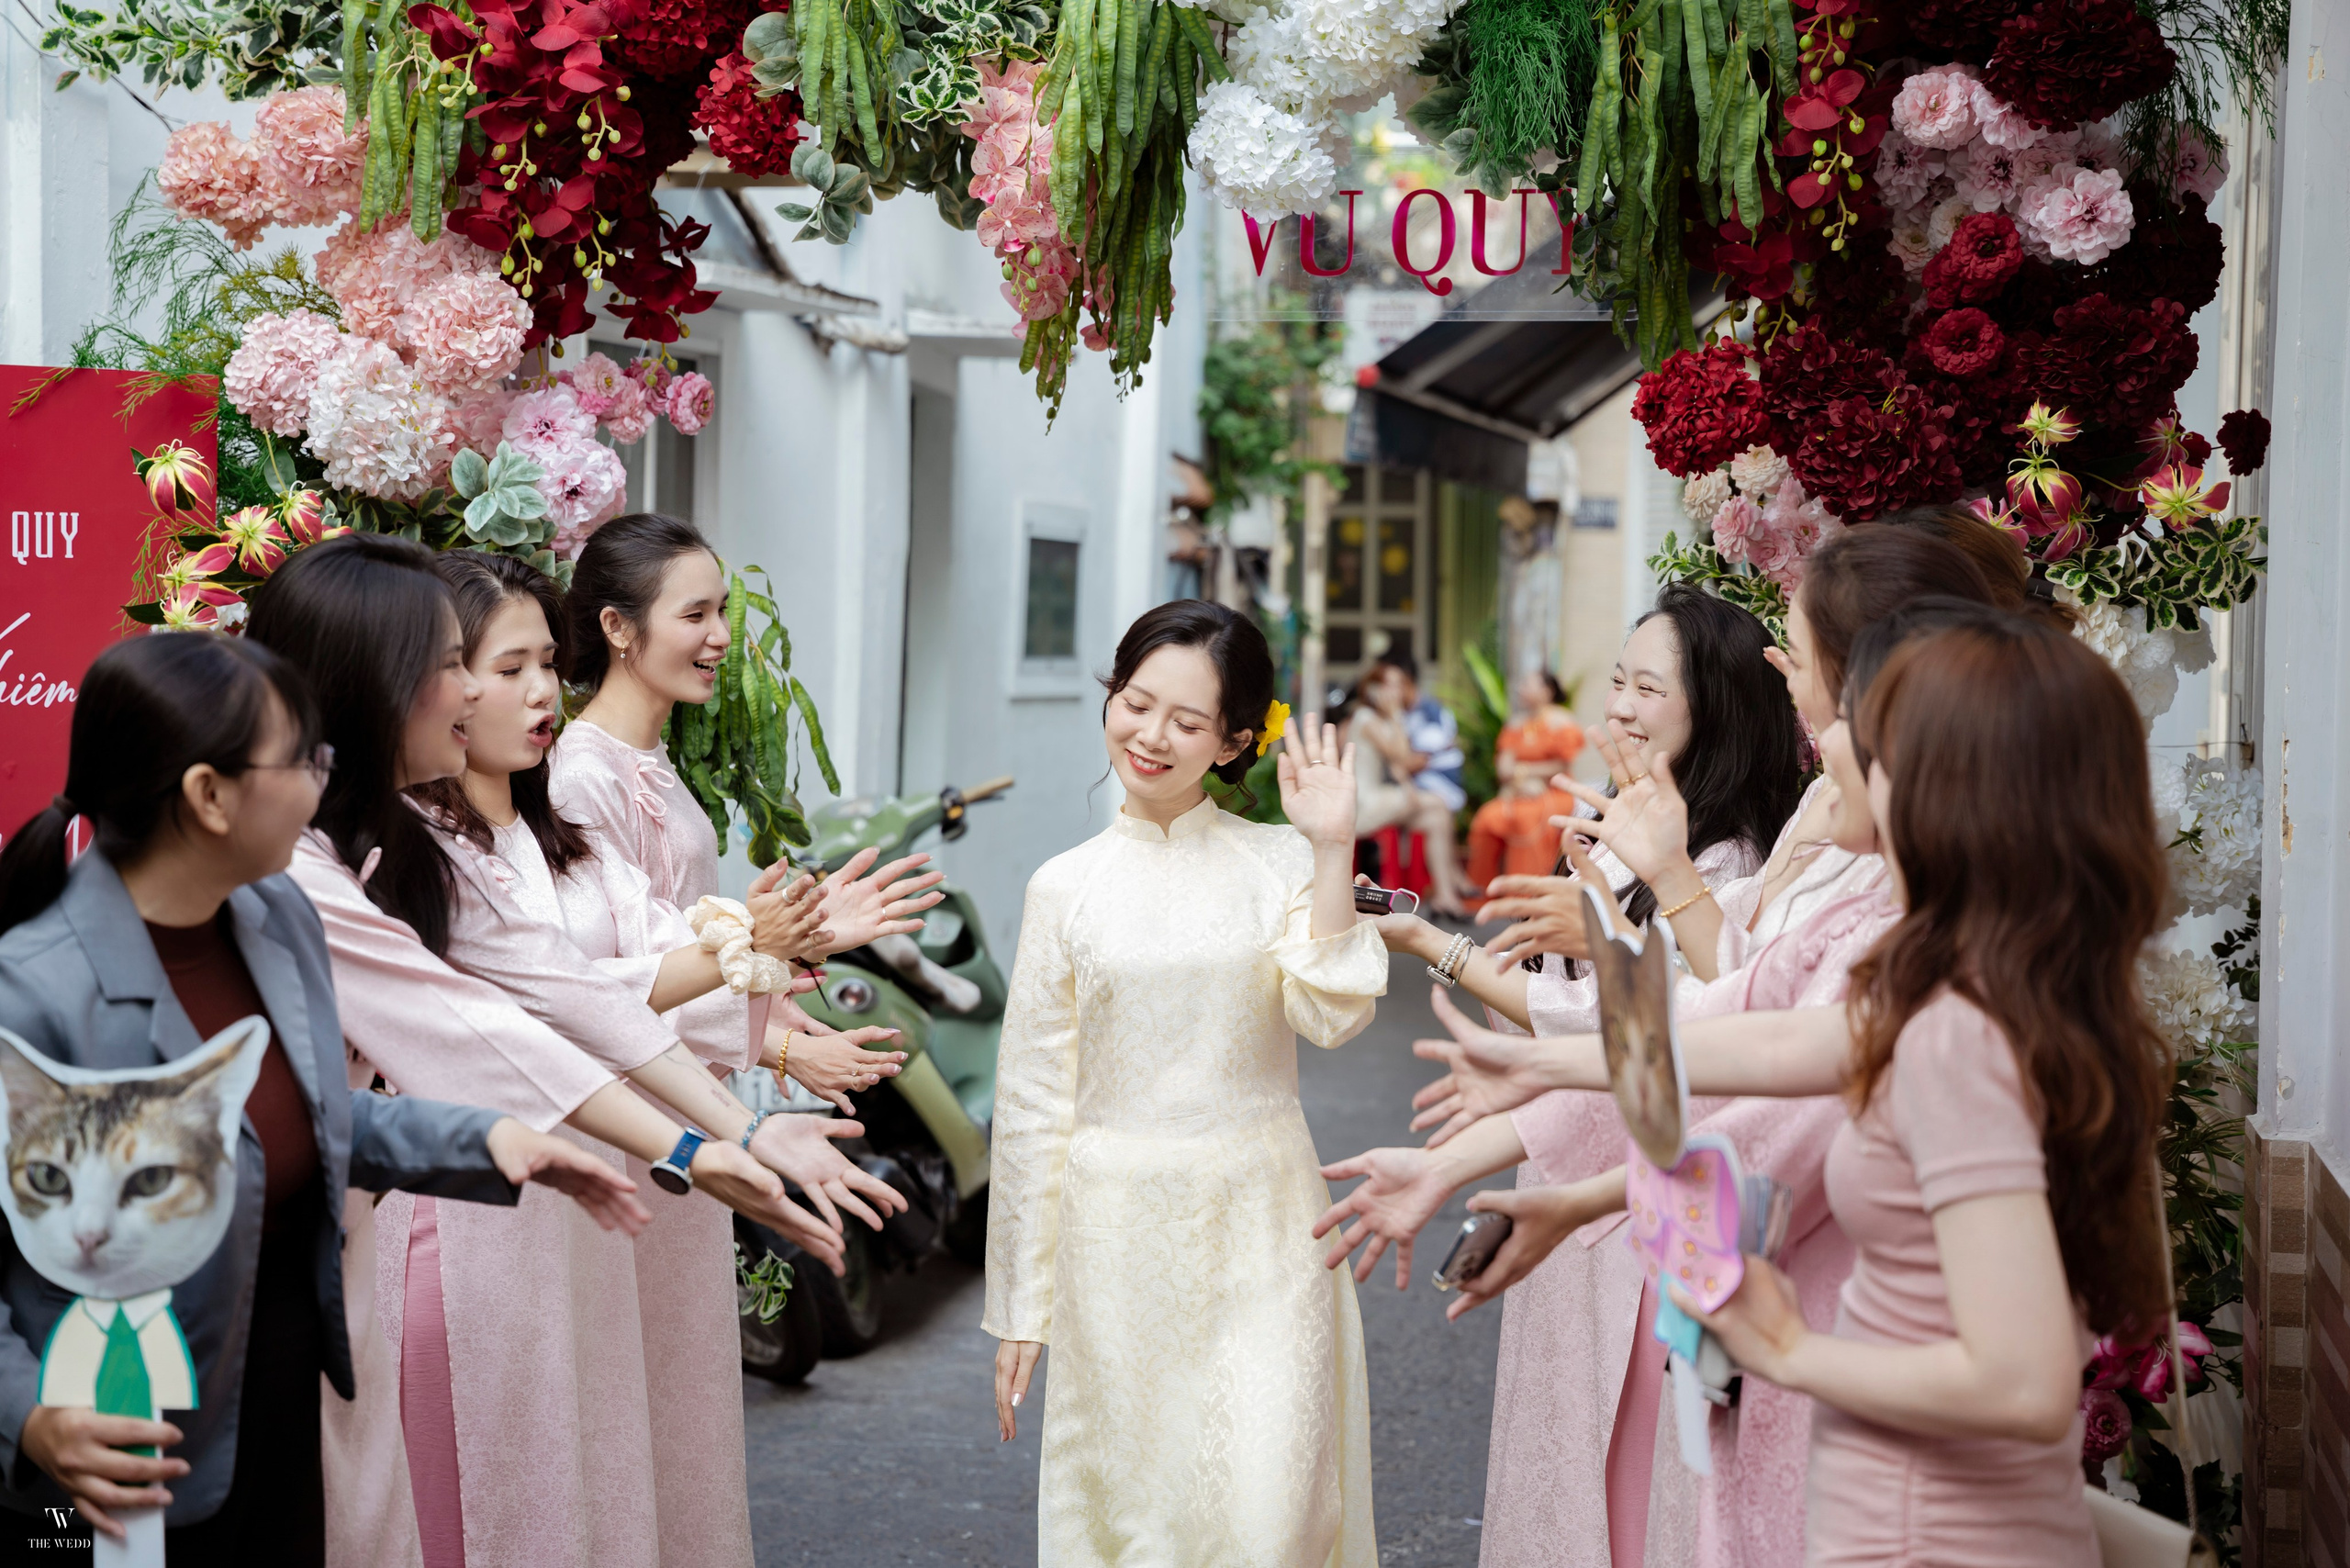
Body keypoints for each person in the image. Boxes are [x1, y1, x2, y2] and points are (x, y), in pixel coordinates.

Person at [1413, 614, 2171, 1564]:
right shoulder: (1937, 962)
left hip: (1924, 1523)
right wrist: (1548, 1070)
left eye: (1873, 733)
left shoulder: (1963, 1027)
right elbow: (1763, 1032)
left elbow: (2022, 1381)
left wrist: (1788, 1350)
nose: (1836, 749)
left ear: (1958, 789)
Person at [0, 633, 648, 1564]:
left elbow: (294, 1120)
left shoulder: (275, 915)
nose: (322, 783)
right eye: (303, 760)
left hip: (272, 1389)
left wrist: (492, 1140)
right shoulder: (34, 991)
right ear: (208, 797)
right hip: (104, 1442)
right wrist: (31, 1417)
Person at [243, 535, 827, 1568]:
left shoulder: (389, 842)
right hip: (268, 1256)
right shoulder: (306, 865)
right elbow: (483, 1033)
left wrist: (733, 1132)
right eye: (460, 664)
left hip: (342, 1234)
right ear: (375, 684)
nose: (479, 691)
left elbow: (558, 997)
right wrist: (693, 1150)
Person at [404, 548, 915, 1568]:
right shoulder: (426, 848)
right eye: (510, 668)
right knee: (502, 1483)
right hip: (490, 1202)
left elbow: (644, 969)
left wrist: (780, 973)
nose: (544, 689)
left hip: (606, 1180)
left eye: (547, 661)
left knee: (600, 1466)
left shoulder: (555, 830)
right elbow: (575, 1000)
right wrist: (733, 1106)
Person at [984, 599, 1390, 1567]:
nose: (1151, 736)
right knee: (1138, 1522)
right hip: (1113, 1242)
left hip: (1264, 1230)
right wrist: (1020, 1308)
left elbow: (1332, 1014)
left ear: (1235, 741)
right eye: (1135, 702)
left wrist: (1333, 846)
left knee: (1274, 1513)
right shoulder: (1063, 887)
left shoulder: (1280, 862)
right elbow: (1035, 1105)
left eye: (1188, 721)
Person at [552, 513, 941, 1105]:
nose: (724, 636)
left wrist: (791, 946)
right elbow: (615, 976)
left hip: (679, 1095)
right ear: (618, 627)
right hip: (636, 1107)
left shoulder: (642, 757)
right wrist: (770, 959)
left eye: (721, 611)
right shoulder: (582, 775)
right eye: (694, 614)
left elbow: (669, 954)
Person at [1348, 660, 1472, 917]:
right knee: (1438, 803)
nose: (1395, 691)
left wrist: (1395, 717)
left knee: (1437, 817)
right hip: (1366, 803)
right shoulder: (1366, 718)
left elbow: (1398, 767)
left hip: (1386, 800)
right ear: (1373, 689)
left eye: (1399, 685)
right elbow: (1402, 757)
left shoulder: (1385, 720)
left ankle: (1445, 897)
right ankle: (1456, 878)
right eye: (1388, 685)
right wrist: (1396, 714)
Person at [1465, 670, 1584, 896]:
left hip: (1554, 794)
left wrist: (1523, 772)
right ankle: (1483, 893)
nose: (1522, 687)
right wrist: (1521, 780)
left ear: (1546, 691)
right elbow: (1503, 768)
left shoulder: (1562, 721)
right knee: (1485, 819)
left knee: (1528, 821)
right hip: (1517, 793)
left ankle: (1528, 897)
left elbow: (1561, 765)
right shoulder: (1516, 723)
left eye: (1528, 683)